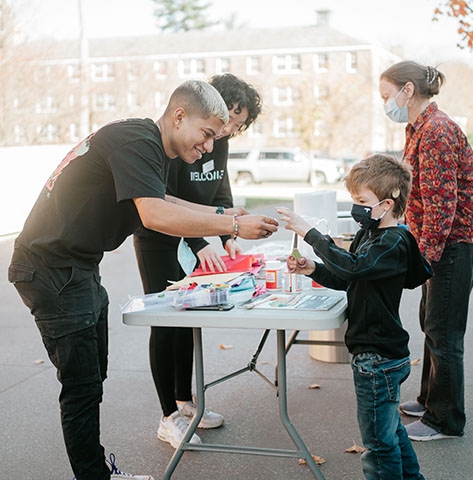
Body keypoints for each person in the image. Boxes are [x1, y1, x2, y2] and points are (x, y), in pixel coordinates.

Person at [7, 79, 278, 480]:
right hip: (51, 268)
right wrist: (233, 224)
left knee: (92, 376)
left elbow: (164, 199)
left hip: (76, 265)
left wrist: (225, 212)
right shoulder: (137, 139)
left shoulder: (150, 145)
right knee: (82, 388)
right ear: (179, 115)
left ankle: (98, 472)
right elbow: (154, 214)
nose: (208, 147)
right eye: (206, 135)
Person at [276, 154, 432, 480]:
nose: (356, 207)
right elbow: (349, 276)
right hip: (381, 353)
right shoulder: (371, 235)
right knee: (390, 431)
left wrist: (310, 234)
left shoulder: (392, 242)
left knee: (378, 442)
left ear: (387, 204)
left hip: (378, 358)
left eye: (362, 201)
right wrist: (312, 268)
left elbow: (353, 267)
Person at [133, 73, 262, 448]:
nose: (226, 133)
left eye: (236, 125)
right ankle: (167, 416)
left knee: (191, 318)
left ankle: (186, 402)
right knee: (165, 320)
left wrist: (227, 235)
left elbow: (220, 186)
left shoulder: (216, 140)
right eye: (229, 119)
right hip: (159, 238)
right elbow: (165, 201)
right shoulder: (177, 141)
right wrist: (198, 238)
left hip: (200, 233)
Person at [379, 60, 473, 442]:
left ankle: (444, 420)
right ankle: (428, 398)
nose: (385, 103)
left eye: (387, 96)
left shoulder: (436, 132)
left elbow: (440, 205)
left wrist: (424, 261)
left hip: (449, 247)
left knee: (443, 334)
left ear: (407, 91)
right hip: (432, 244)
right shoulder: (416, 128)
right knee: (430, 325)